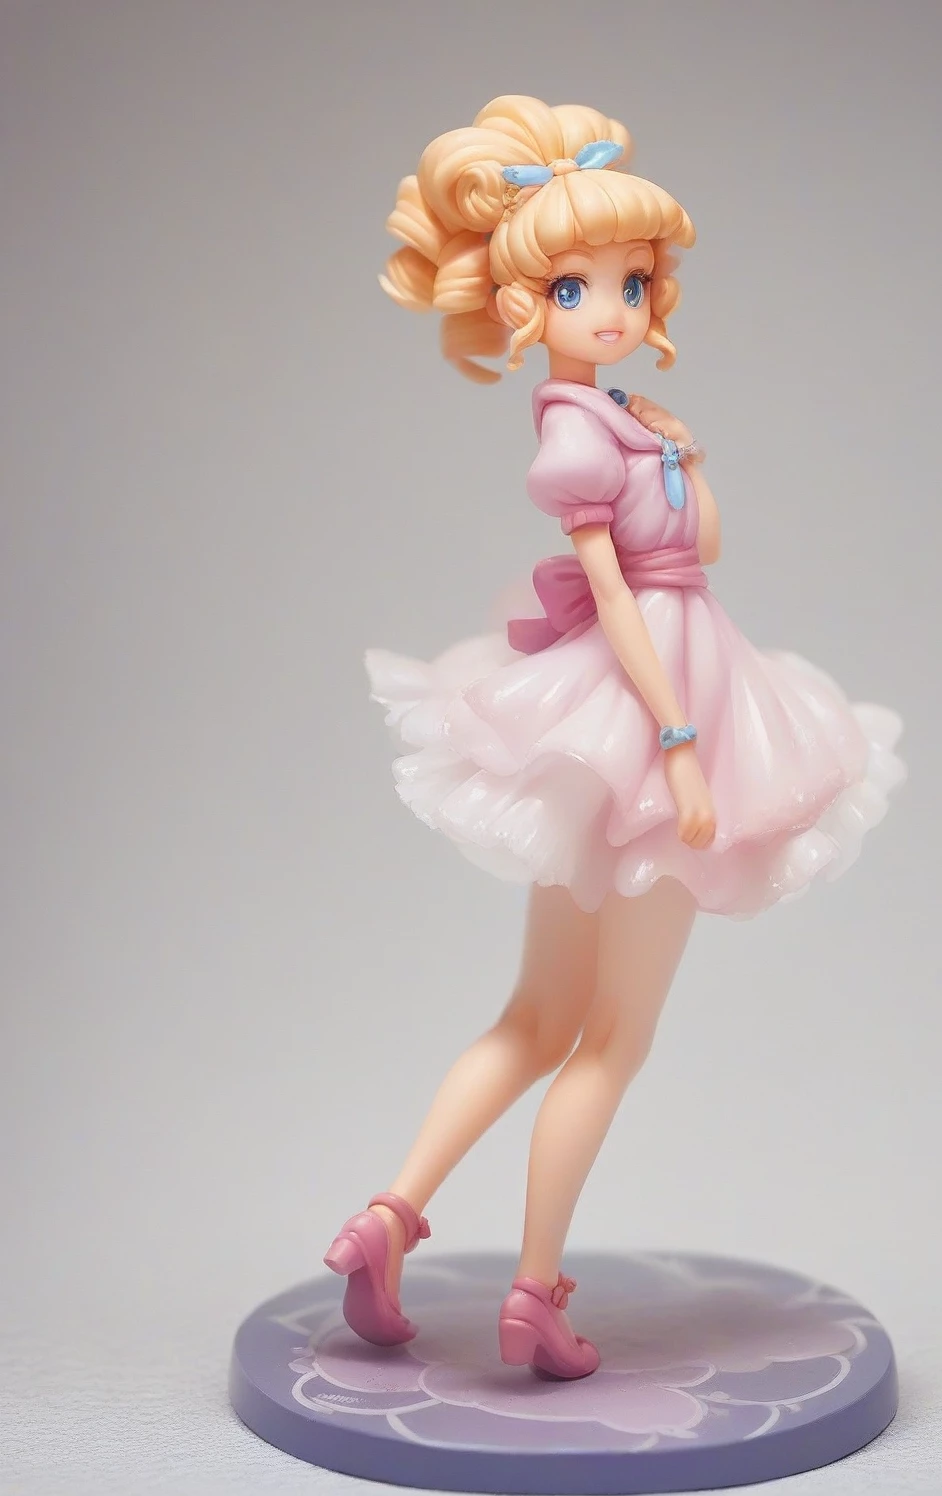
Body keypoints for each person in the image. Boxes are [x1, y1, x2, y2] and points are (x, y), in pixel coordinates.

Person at [323, 95, 907, 1380]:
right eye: (577, 286)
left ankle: (388, 1217)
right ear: (525, 304)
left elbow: (699, 549)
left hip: (645, 695)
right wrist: (682, 745)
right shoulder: (575, 435)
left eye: (632, 283)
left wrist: (685, 454)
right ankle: (535, 1295)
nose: (613, 308)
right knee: (609, 1038)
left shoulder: (622, 418)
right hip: (652, 707)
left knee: (538, 1015)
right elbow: (631, 604)